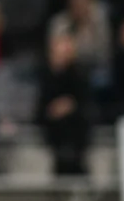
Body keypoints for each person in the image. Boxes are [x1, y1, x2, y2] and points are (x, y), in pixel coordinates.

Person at [37, 35, 92, 176]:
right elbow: (38, 110)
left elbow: (88, 106)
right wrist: (52, 110)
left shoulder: (79, 77)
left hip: (76, 133)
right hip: (53, 135)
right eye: (57, 53)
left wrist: (71, 106)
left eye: (64, 53)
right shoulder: (45, 78)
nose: (60, 57)